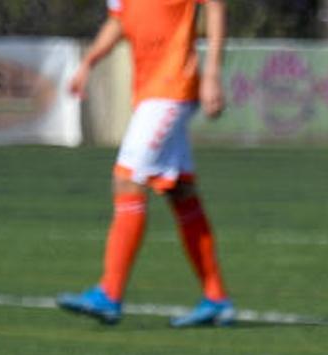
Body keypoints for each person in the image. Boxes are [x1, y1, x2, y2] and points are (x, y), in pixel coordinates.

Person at [58, 0, 234, 328]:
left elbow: (215, 6)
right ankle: (216, 298)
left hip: (173, 85)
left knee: (127, 179)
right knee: (180, 192)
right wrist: (89, 61)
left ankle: (109, 293)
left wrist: (211, 73)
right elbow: (118, 20)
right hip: (150, 89)